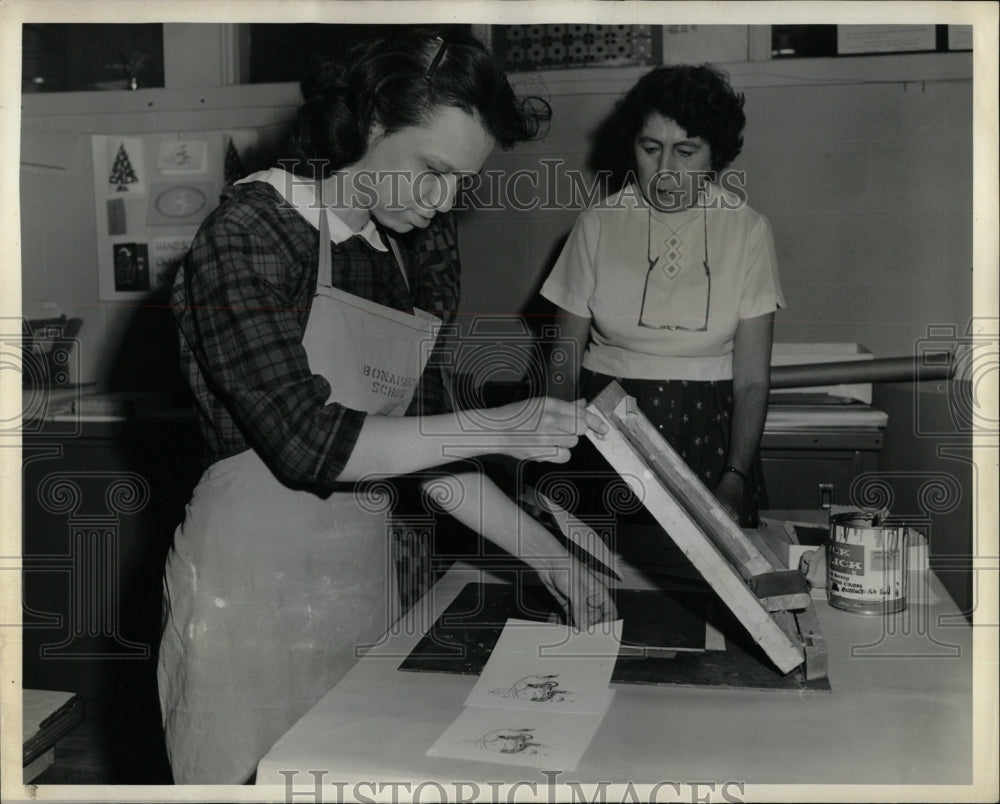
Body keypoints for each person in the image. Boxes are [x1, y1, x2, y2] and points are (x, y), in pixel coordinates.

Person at [157, 28, 616, 785]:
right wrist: (501, 424)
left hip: (362, 590)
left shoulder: (415, 253)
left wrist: (552, 560)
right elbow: (312, 444)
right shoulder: (250, 233)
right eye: (430, 171)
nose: (441, 203)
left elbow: (427, 450)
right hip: (243, 602)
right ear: (371, 123)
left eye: (458, 184)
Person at [540, 64, 785, 531]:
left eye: (686, 151)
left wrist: (734, 477)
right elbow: (564, 357)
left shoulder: (747, 229)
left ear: (715, 156)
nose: (665, 171)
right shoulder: (598, 223)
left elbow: (752, 380)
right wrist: (551, 455)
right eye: (650, 149)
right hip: (603, 426)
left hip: (706, 432)